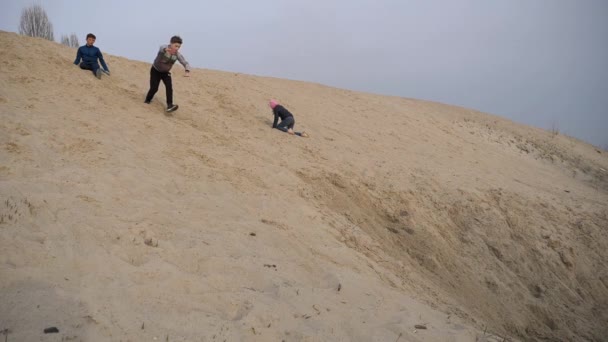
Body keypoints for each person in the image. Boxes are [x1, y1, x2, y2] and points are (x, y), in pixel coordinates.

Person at [144, 35, 191, 113]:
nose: (177, 48)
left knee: (169, 87)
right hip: (155, 70)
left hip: (165, 73)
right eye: (175, 46)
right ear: (171, 43)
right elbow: (161, 47)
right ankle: (147, 100)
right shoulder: (164, 48)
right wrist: (166, 50)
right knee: (154, 88)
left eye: (178, 47)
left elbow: (185, 63)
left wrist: (187, 71)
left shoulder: (177, 54)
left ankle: (170, 105)